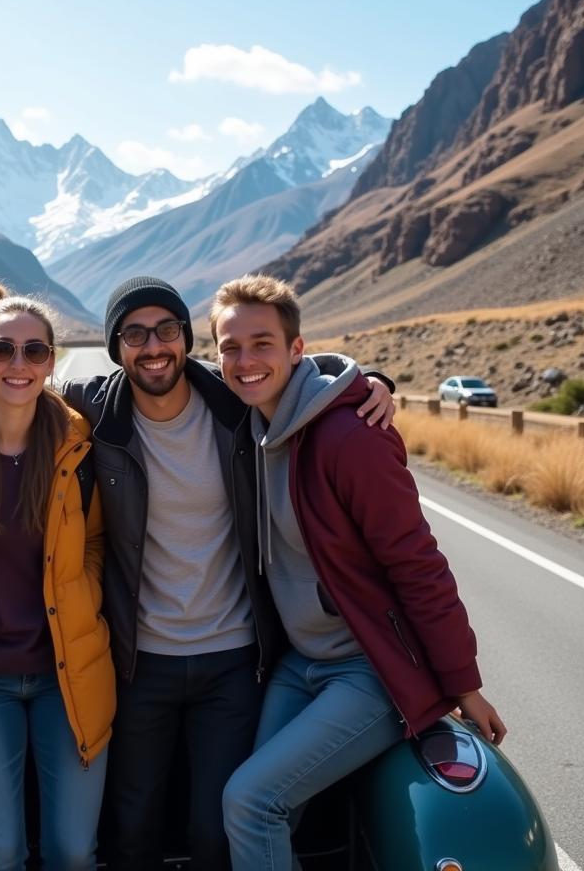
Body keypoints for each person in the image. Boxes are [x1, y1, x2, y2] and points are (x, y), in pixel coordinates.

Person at [0, 275, 395, 871]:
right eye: (134, 334)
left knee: (212, 831)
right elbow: (14, 384)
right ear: (116, 348)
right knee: (132, 826)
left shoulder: (234, 405)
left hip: (233, 661)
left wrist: (370, 381)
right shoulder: (92, 409)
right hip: (137, 660)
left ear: (187, 338)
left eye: (167, 330)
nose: (153, 346)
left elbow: (299, 368)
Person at [210, 274, 505, 871]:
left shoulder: (350, 438)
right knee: (269, 808)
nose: (245, 360)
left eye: (262, 343)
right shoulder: (251, 424)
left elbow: (418, 563)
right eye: (230, 346)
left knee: (251, 800)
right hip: (302, 664)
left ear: (296, 351)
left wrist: (462, 682)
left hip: (371, 669)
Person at [0, 281, 115, 870]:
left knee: (73, 851)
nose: (19, 364)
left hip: (69, 673)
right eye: (3, 350)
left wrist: (81, 590)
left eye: (35, 352)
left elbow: (96, 540)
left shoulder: (78, 442)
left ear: (51, 361)